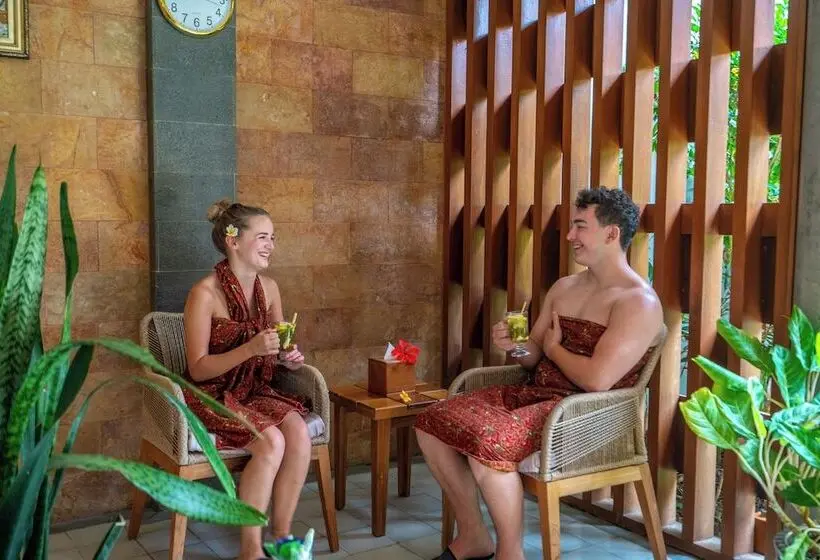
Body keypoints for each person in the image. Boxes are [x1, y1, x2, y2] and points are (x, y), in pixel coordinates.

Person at [414, 186, 664, 560]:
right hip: (535, 396)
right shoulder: (565, 288)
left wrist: (553, 348)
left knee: (488, 442)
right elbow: (531, 357)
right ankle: (474, 536)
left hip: (582, 413)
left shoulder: (637, 302)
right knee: (431, 420)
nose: (570, 236)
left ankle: (510, 553)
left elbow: (597, 380)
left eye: (580, 226)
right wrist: (515, 344)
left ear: (612, 234)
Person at [182, 200, 310, 560]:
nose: (271, 245)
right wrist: (251, 348)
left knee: (298, 432)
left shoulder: (270, 288)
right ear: (233, 240)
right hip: (211, 393)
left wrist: (287, 357)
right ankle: (250, 551)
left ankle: (281, 538)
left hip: (253, 389)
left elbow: (279, 346)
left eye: (274, 237)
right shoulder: (204, 293)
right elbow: (197, 369)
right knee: (271, 442)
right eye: (263, 237)